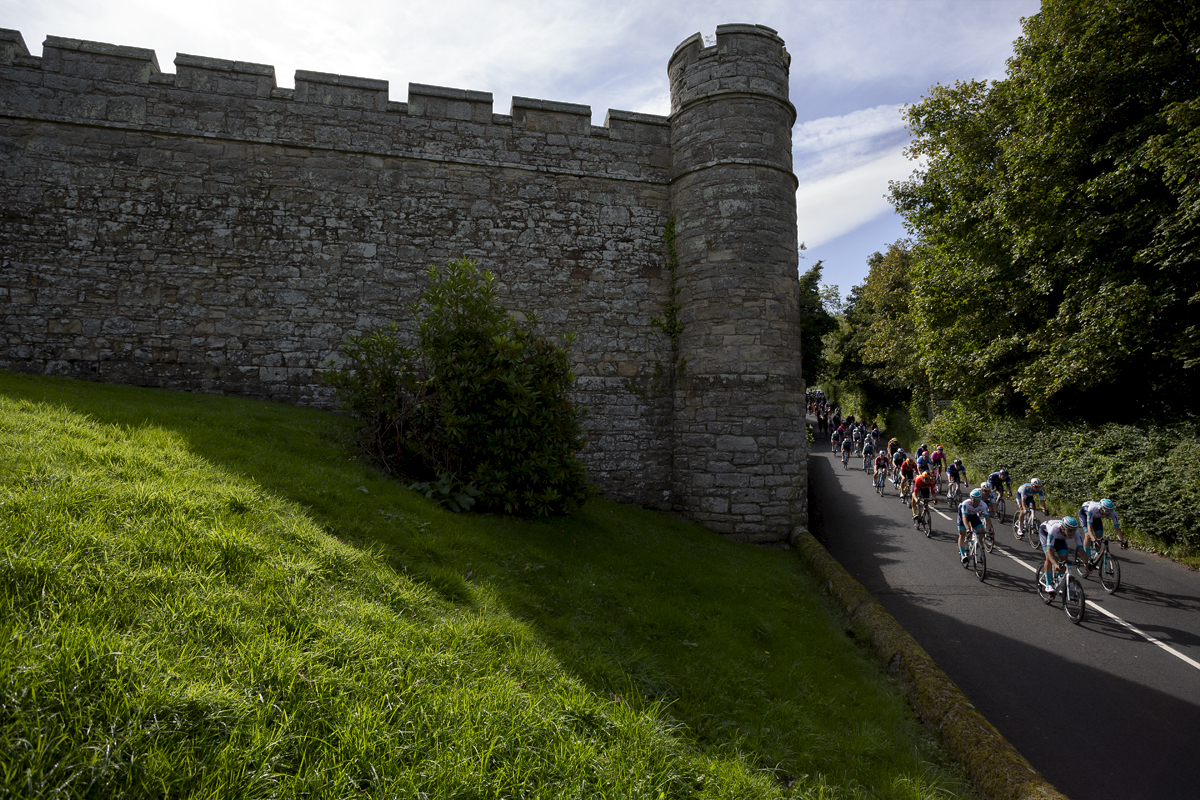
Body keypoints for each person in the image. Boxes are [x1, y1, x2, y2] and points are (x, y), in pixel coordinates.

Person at [1079, 498, 1128, 570]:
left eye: (1110, 512)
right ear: (1101, 509)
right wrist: (1094, 539)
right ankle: (1085, 559)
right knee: (1088, 536)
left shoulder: (1113, 513)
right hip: (1085, 514)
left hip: (1097, 516)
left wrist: (1122, 541)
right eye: (1107, 512)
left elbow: (1117, 529)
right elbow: (1089, 528)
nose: (1108, 514)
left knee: (1099, 537)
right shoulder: (1092, 509)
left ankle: (1094, 558)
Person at [1039, 516, 1083, 593]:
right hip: (1046, 533)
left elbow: (1081, 550)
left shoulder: (1075, 533)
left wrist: (1086, 564)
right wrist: (1055, 565)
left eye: (1074, 530)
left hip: (1060, 537)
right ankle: (1048, 584)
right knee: (1049, 557)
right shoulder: (1054, 529)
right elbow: (1049, 551)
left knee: (1064, 558)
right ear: (1063, 527)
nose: (1072, 533)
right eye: (1069, 530)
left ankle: (1058, 581)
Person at [957, 489, 991, 565]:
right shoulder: (965, 504)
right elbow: (964, 518)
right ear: (971, 498)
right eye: (974, 500)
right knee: (962, 533)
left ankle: (975, 543)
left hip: (973, 515)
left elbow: (988, 519)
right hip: (963, 515)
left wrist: (990, 530)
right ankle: (963, 556)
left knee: (981, 531)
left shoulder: (983, 504)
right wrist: (968, 529)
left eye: (978, 499)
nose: (976, 502)